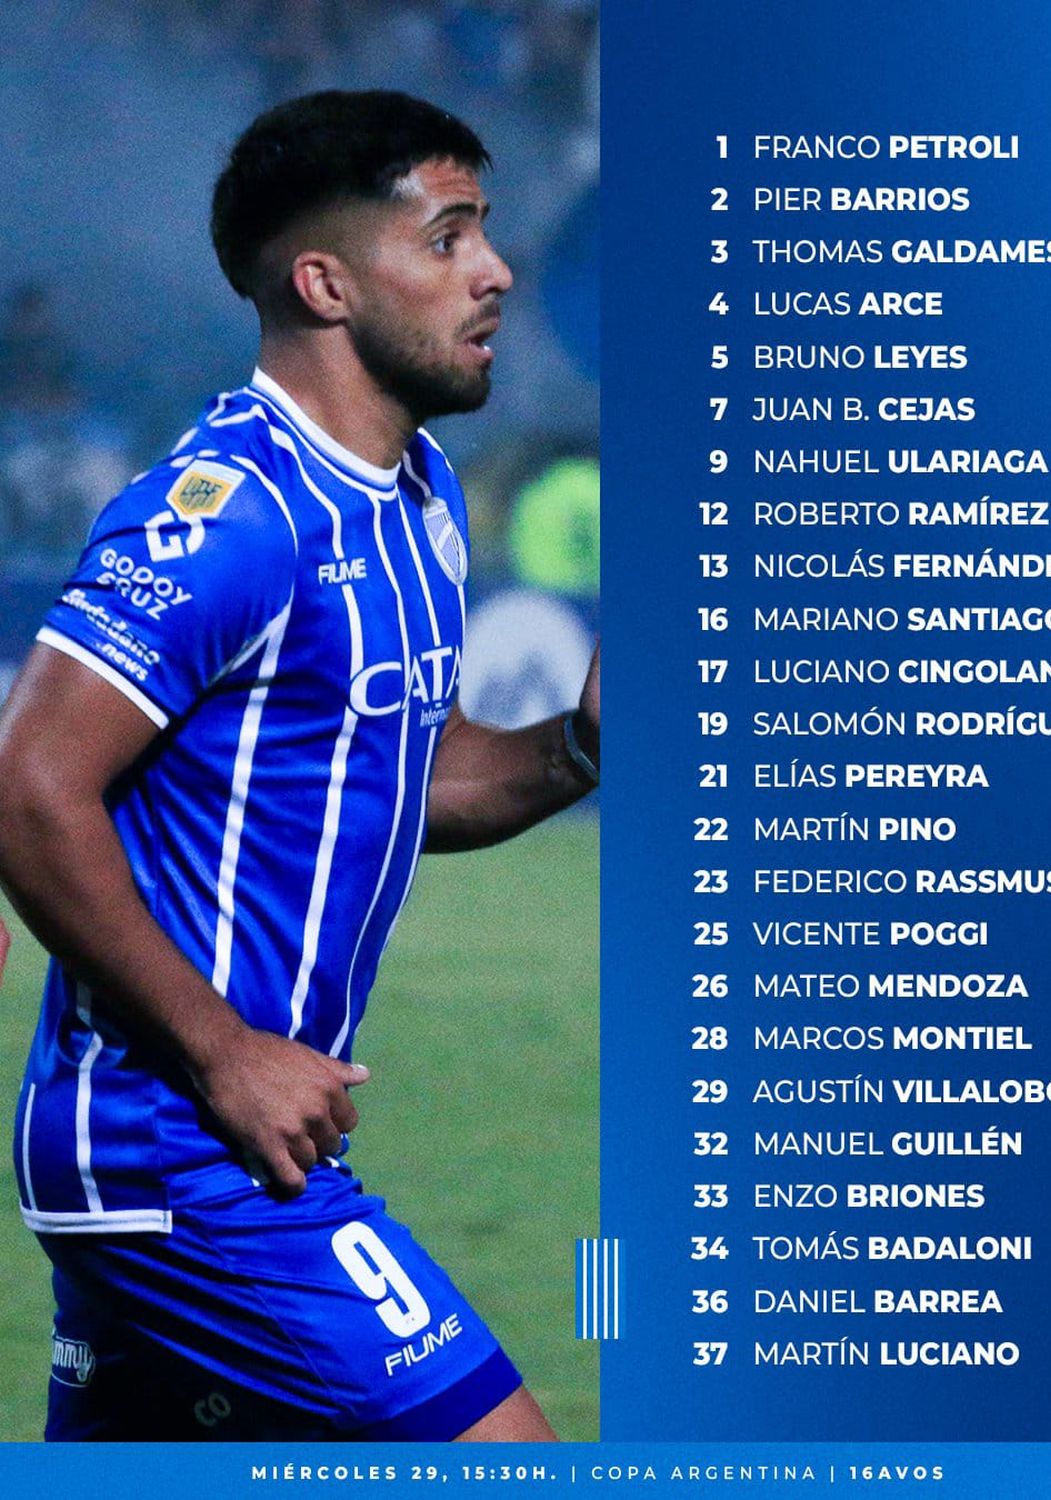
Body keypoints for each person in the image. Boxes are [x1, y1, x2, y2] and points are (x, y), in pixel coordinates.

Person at [0, 90, 599, 1443]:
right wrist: (226, 1054)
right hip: (181, 1149)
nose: (497, 271)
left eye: (486, 233)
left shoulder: (418, 498)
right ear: (325, 285)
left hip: (216, 1146)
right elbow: (29, 787)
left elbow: (405, 778)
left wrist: (580, 747)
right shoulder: (229, 516)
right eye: (448, 238)